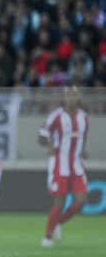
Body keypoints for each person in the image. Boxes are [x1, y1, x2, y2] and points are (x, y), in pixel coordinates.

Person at [38, 85, 88, 247]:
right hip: (60, 164)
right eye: (69, 95)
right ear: (64, 98)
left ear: (77, 97)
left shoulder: (84, 118)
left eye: (74, 95)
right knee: (60, 200)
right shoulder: (56, 116)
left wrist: (83, 151)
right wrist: (50, 144)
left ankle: (58, 222)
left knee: (81, 201)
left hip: (76, 165)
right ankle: (47, 237)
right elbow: (41, 136)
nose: (72, 98)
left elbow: (82, 140)